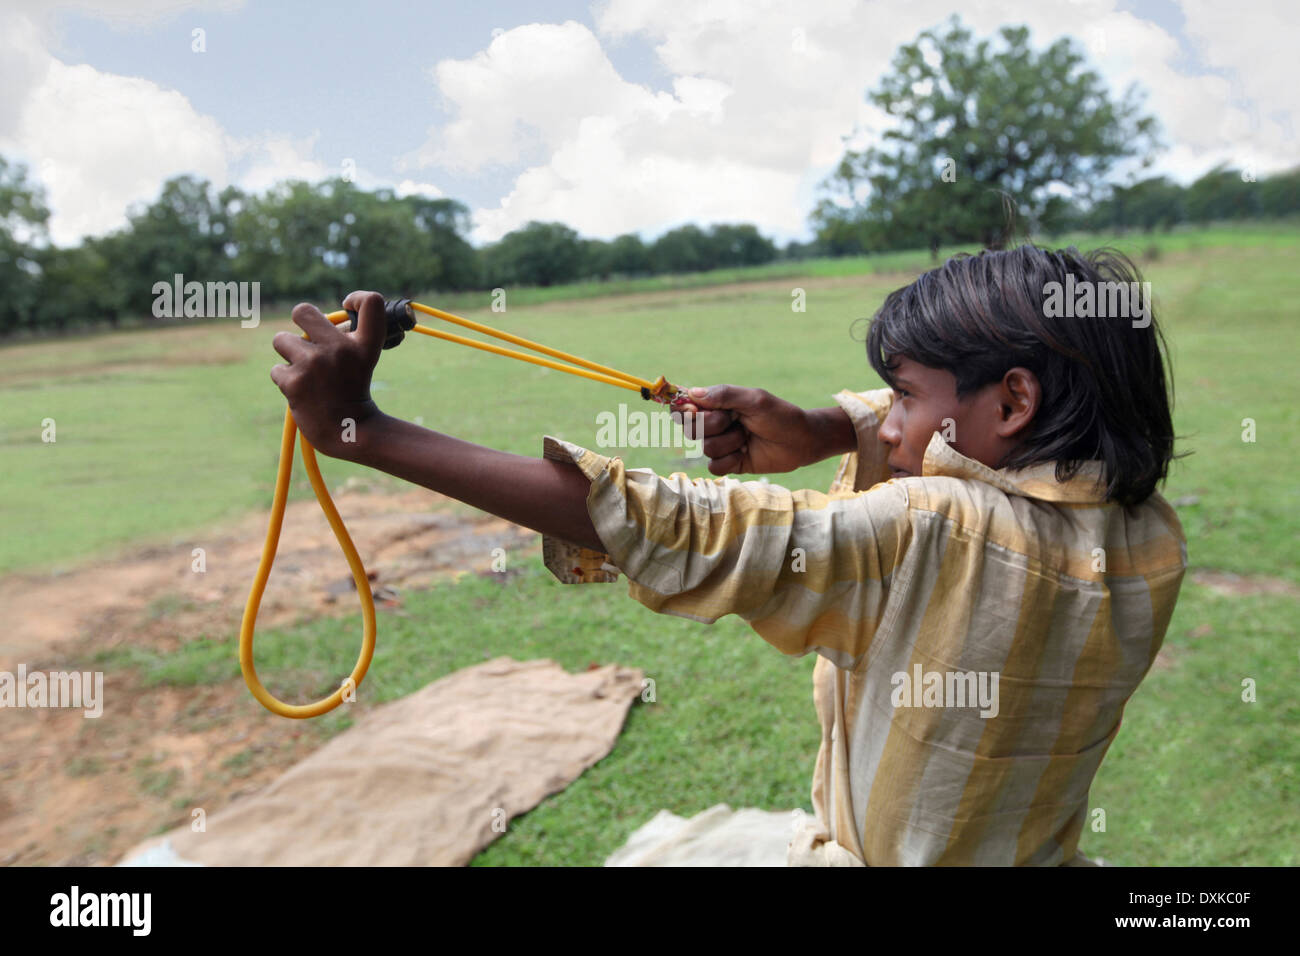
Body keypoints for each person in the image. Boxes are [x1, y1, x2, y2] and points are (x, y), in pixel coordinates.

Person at [270, 243, 1185, 866]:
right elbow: (970, 464)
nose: (891, 420)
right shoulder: (1147, 536)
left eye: (903, 395)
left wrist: (365, 433)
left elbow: (688, 529)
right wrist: (829, 426)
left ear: (1014, 403)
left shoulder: (933, 532)